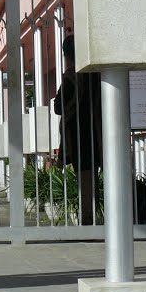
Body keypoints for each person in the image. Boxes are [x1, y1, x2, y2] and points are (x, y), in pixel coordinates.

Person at [53, 34, 102, 225]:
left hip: (77, 135)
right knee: (93, 179)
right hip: (97, 132)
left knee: (84, 179)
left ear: (67, 55)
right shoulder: (97, 74)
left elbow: (58, 106)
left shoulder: (71, 76)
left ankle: (87, 220)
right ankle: (93, 215)